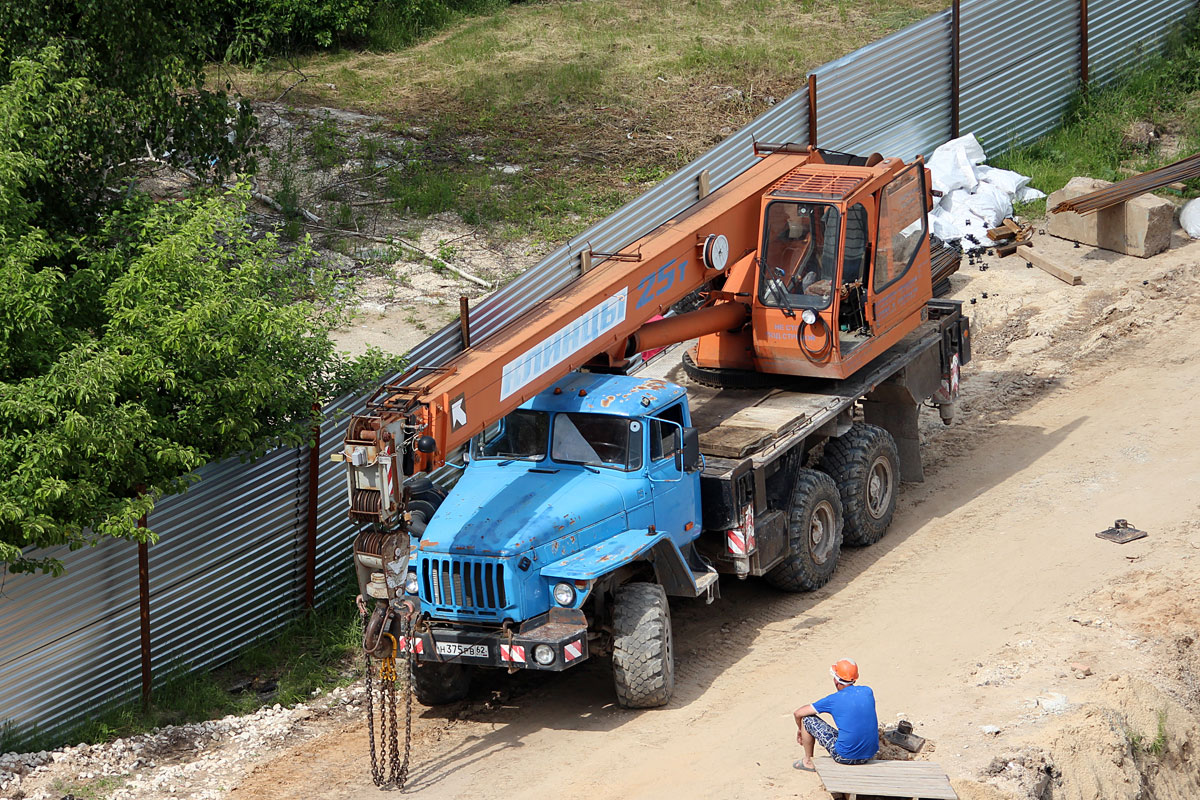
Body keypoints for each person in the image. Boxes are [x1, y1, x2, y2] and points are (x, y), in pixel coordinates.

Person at [793, 658, 879, 771]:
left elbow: (798, 713)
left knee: (807, 719)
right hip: (869, 754)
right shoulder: (867, 691)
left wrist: (800, 730)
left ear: (836, 680)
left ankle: (808, 761)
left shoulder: (833, 700)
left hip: (845, 757)